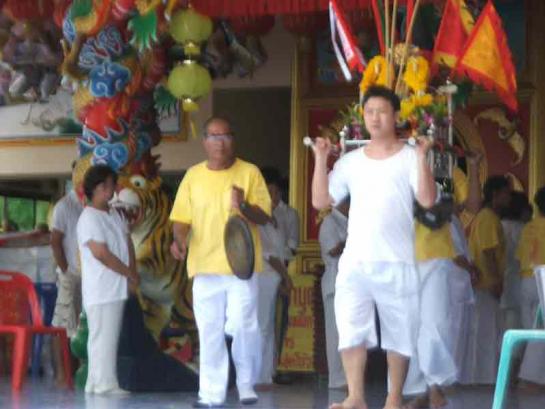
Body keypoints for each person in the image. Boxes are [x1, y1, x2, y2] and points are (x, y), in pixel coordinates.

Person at [311, 85, 436, 409]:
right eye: (369, 112)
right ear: (362, 117)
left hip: (397, 260)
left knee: (400, 332)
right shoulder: (351, 162)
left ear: (395, 116)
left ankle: (394, 398)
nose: (375, 117)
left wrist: (422, 158)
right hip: (356, 262)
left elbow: (427, 199)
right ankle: (355, 396)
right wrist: (321, 159)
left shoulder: (409, 157)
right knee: (351, 329)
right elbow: (321, 201)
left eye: (382, 111)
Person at [169, 117, 271, 408]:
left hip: (241, 267)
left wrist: (244, 205)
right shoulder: (193, 176)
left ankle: (246, 384)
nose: (220, 142)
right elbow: (181, 219)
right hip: (204, 267)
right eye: (214, 136)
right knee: (210, 332)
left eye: (225, 136)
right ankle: (211, 394)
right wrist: (179, 240)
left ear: (233, 140)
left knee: (242, 325)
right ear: (204, 141)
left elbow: (265, 216)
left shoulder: (249, 172)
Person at [77, 164, 139, 394]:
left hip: (115, 286)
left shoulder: (113, 214)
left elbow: (127, 241)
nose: (111, 190)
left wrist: (132, 273)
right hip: (101, 287)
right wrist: (128, 273)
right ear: (96, 188)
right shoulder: (89, 217)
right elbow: (101, 253)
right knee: (103, 336)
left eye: (111, 185)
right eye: (107, 186)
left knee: (106, 335)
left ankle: (95, 382)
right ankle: (105, 383)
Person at [464, 175, 511, 385]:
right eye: (506, 193)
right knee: (487, 333)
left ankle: (485, 377)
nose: (508, 198)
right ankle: (483, 379)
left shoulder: (486, 217)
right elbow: (488, 252)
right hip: (486, 284)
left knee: (487, 332)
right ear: (495, 194)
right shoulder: (488, 218)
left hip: (484, 283)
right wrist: (495, 281)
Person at [50, 161, 84, 385]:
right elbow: (55, 241)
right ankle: (62, 374)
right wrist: (65, 271)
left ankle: (80, 373)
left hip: (88, 276)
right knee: (63, 325)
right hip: (70, 274)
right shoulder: (65, 206)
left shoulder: (90, 204)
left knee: (82, 325)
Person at [255, 180, 292, 386]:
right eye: (269, 192)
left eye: (277, 192)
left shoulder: (276, 220)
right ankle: (257, 376)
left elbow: (282, 251)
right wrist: (286, 276)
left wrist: (284, 276)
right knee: (262, 325)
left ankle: (267, 374)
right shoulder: (259, 221)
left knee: (269, 326)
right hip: (264, 276)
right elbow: (269, 256)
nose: (274, 196)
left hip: (273, 277)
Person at [318, 200, 349, 390]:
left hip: (349, 284)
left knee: (348, 333)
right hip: (334, 282)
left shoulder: (350, 221)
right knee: (335, 334)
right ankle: (336, 379)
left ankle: (348, 376)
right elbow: (333, 250)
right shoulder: (329, 222)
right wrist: (354, 239)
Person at [517, 186, 545, 389]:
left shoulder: (529, 227)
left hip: (526, 280)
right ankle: (530, 379)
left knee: (532, 330)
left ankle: (532, 378)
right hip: (542, 278)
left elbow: (521, 256)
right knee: (539, 331)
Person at [500, 191, 532, 331]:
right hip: (517, 280)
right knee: (515, 322)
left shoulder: (499, 224)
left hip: (501, 279)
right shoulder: (522, 229)